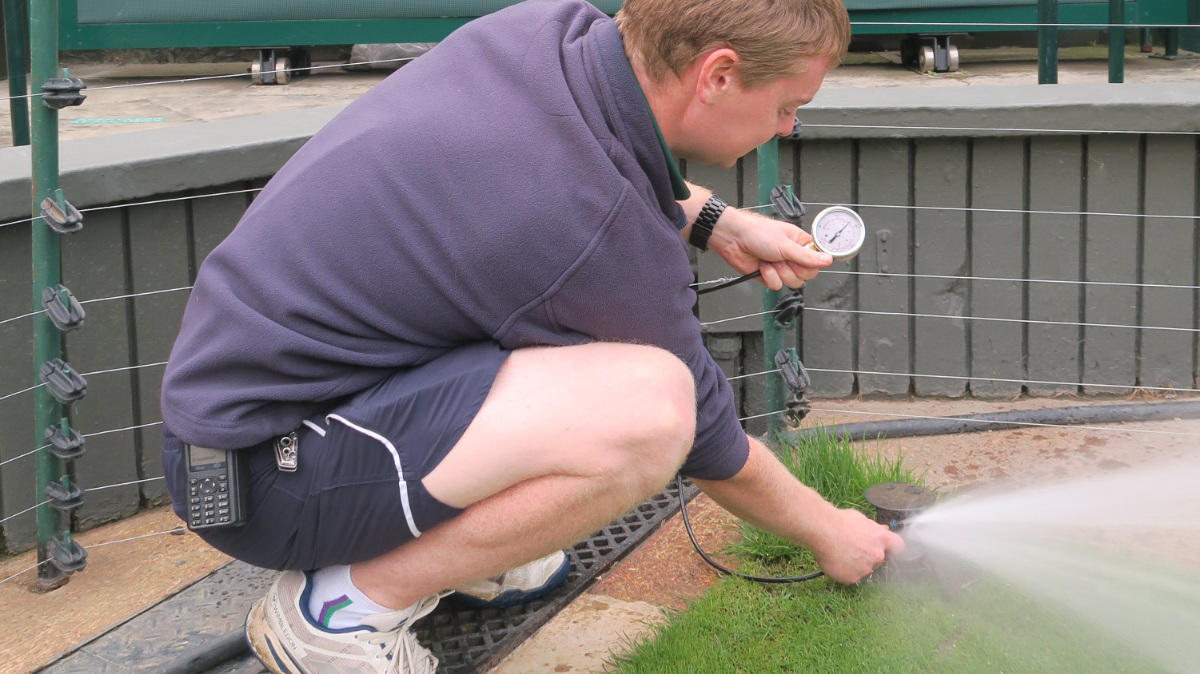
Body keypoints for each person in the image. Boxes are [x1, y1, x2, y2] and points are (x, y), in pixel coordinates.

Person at [159, 0, 904, 671]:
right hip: (265, 479)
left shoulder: (547, 35)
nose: (789, 126)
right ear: (716, 76)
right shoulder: (588, 224)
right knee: (654, 412)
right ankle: (339, 611)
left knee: (567, 354)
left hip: (252, 414)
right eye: (785, 105)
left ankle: (457, 550)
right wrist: (831, 532)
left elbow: (583, 165)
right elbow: (712, 444)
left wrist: (716, 220)